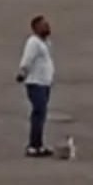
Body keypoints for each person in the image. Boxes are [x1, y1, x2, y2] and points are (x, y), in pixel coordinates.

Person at [15, 15, 55, 158]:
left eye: (47, 24)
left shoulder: (45, 42)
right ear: (36, 28)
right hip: (35, 83)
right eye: (44, 25)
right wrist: (23, 72)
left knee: (41, 114)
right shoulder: (33, 42)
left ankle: (39, 145)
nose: (47, 27)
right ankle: (33, 146)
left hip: (44, 83)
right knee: (38, 113)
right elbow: (27, 59)